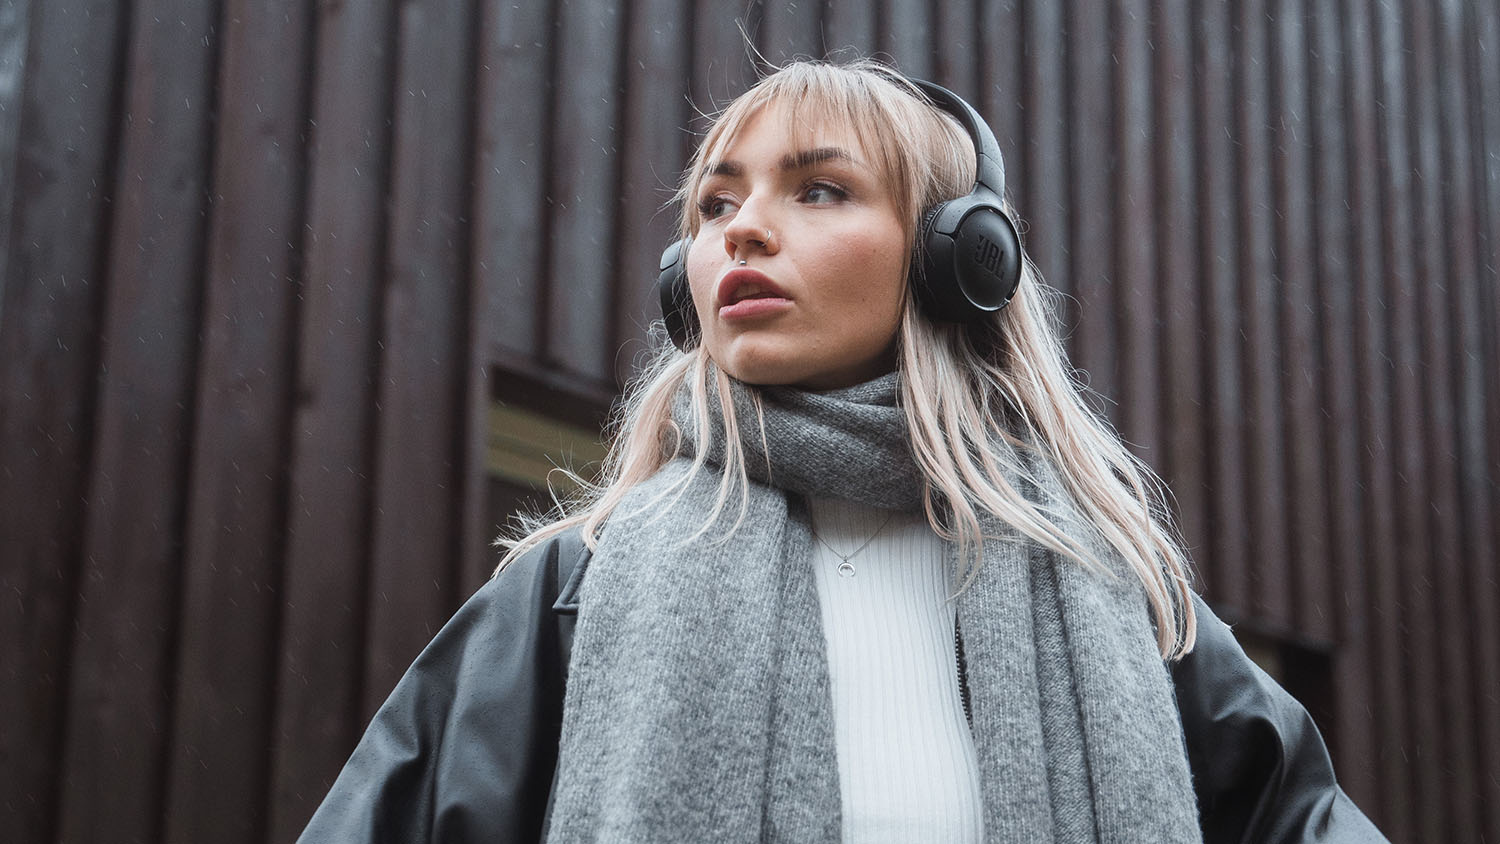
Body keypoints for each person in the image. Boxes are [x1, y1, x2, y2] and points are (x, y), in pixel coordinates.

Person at [298, 59, 1385, 843]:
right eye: (717, 202)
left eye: (818, 189)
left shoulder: (1122, 598)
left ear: (960, 259)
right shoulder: (572, 588)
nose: (744, 229)